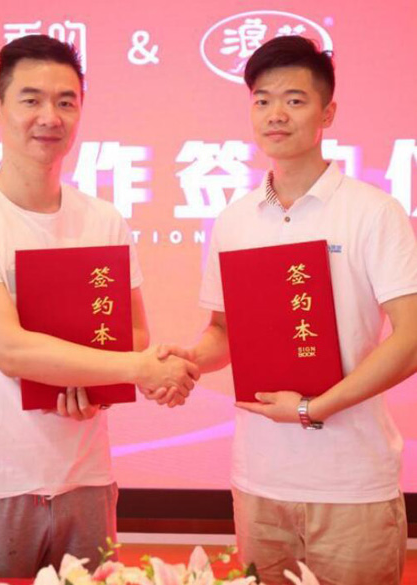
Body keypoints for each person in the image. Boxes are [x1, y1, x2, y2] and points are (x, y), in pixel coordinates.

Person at [0, 35, 198, 578]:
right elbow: (10, 349)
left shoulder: (103, 219)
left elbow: (133, 334)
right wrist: (139, 370)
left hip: (86, 481)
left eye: (66, 101)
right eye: (31, 99)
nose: (50, 116)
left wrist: (98, 388)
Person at [159, 36, 417, 584]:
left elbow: (412, 337)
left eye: (295, 100)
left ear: (327, 113)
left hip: (351, 486)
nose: (276, 114)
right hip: (260, 484)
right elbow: (224, 331)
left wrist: (313, 407)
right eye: (262, 100)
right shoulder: (234, 220)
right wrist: (190, 359)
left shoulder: (374, 212)